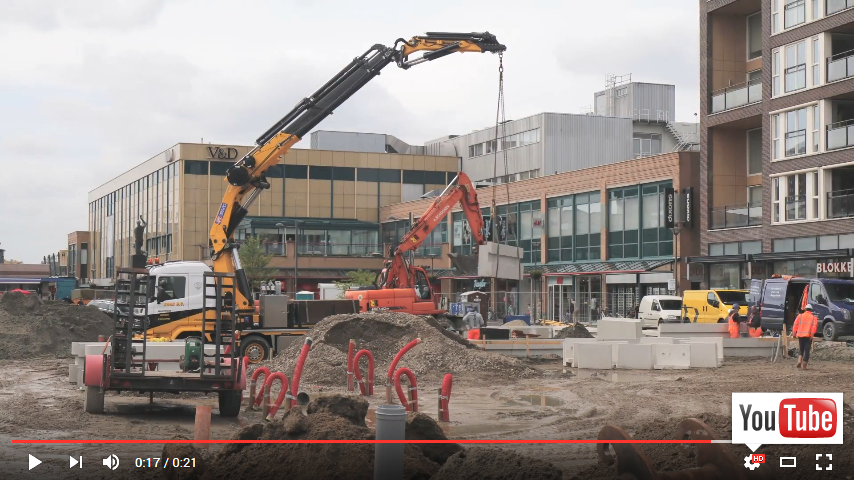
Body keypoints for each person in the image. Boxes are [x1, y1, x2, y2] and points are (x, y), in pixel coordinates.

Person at [791, 304, 819, 370]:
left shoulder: (800, 316)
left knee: (801, 349)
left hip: (800, 335)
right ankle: (804, 366)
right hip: (808, 336)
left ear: (805, 309)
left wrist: (794, 334)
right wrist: (812, 335)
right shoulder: (813, 318)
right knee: (807, 351)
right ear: (811, 310)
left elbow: (795, 325)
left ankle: (799, 361)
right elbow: (814, 327)